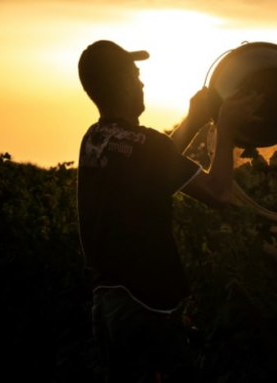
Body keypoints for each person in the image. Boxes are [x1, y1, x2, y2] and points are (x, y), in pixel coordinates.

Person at [77, 39, 263, 382]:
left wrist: (193, 121)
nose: (142, 83)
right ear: (120, 84)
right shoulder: (146, 146)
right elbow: (220, 192)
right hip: (147, 309)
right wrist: (227, 127)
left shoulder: (95, 139)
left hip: (108, 306)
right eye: (135, 76)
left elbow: (151, 163)